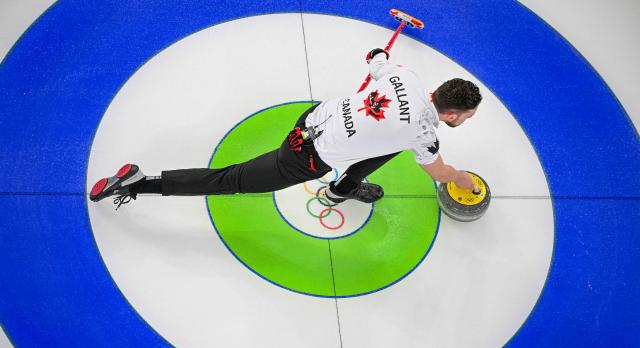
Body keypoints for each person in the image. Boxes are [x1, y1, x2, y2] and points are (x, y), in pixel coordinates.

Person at [90, 48, 482, 209]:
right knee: (230, 180)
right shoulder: (424, 134)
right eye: (467, 117)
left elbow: (377, 59)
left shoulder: (406, 76)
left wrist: (379, 54)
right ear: (452, 115)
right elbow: (440, 172)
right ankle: (139, 182)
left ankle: (342, 188)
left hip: (311, 119)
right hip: (304, 157)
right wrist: (464, 180)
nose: (464, 122)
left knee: (388, 142)